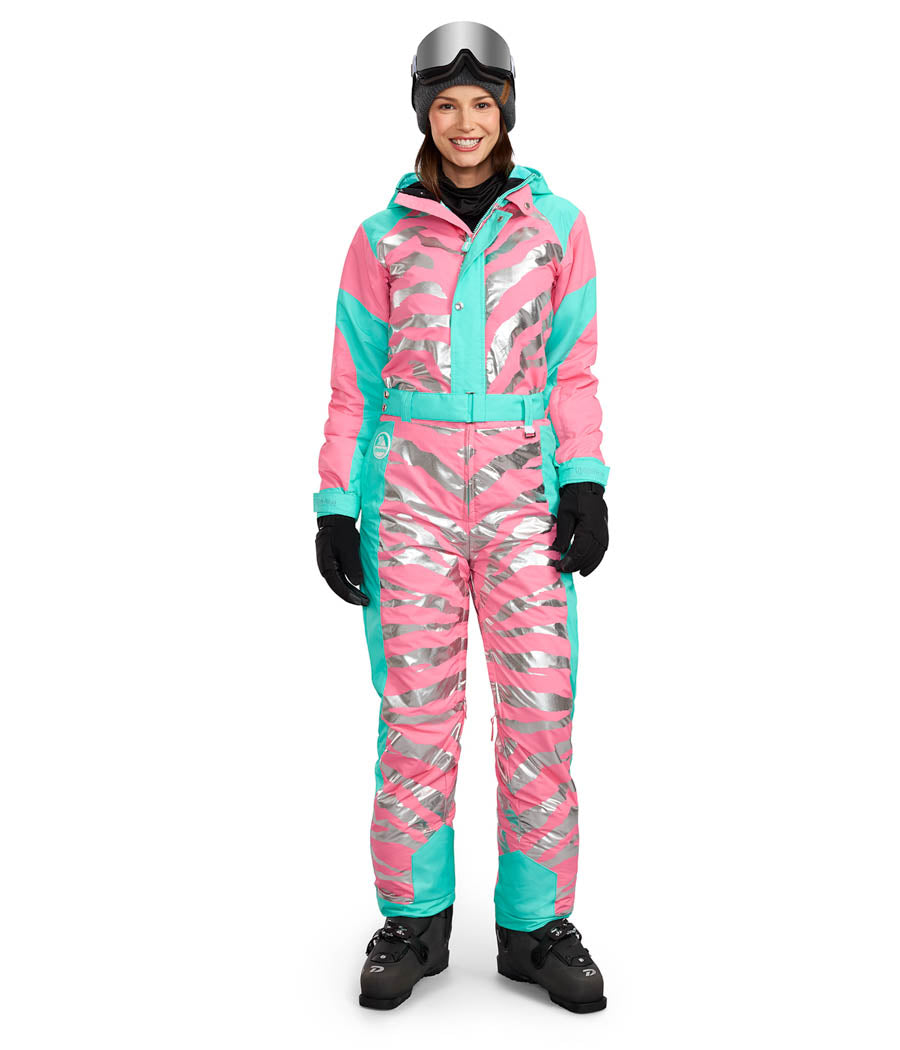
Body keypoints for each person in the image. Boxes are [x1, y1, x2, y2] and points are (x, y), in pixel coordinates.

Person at [313, 21, 610, 1013]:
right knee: (416, 713)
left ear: (507, 110)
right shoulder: (381, 240)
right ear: (423, 115)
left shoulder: (557, 228)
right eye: (446, 104)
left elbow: (573, 368)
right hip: (412, 500)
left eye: (483, 103)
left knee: (540, 710)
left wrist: (584, 481)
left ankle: (535, 928)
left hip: (525, 498)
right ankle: (414, 920)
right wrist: (336, 505)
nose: (466, 121)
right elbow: (355, 384)